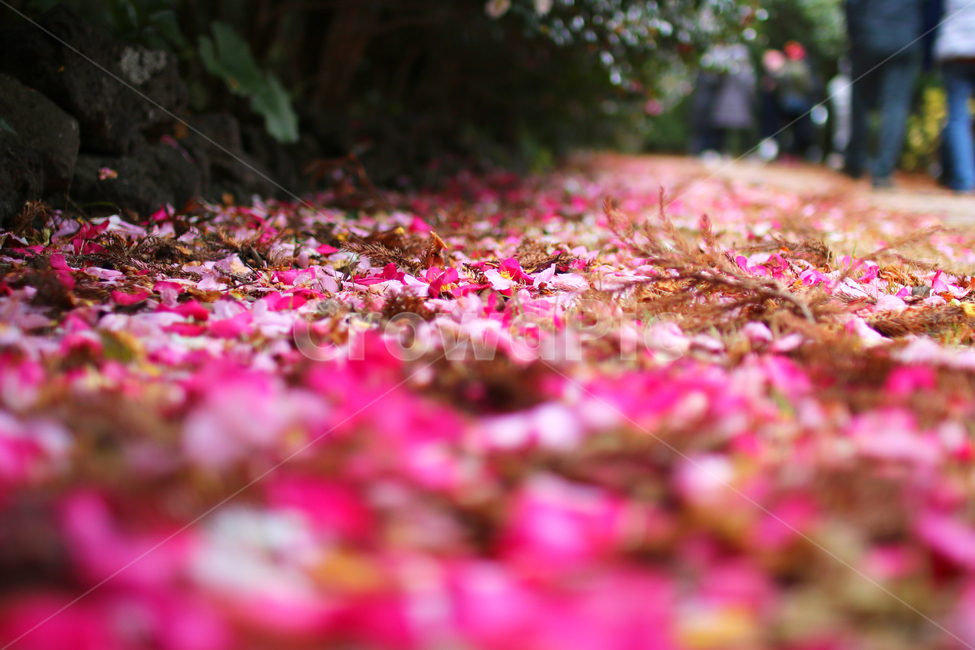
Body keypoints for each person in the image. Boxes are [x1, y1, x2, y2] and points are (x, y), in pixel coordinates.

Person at [844, 0, 927, 189]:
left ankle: (855, 163)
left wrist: (854, 35)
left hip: (869, 35)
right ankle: (883, 172)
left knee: (860, 101)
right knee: (896, 106)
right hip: (905, 38)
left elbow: (852, 5)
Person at [933, 0, 975, 193]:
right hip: (956, 50)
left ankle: (964, 180)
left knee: (958, 117)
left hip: (955, 51)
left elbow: (933, 12)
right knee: (958, 118)